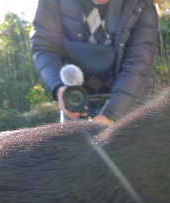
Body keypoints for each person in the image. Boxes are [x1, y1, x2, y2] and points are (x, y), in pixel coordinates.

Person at [31, 0, 159, 124]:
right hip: (76, 103)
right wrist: (58, 87)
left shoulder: (142, 4)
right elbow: (45, 47)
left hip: (128, 103)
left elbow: (138, 65)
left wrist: (111, 115)